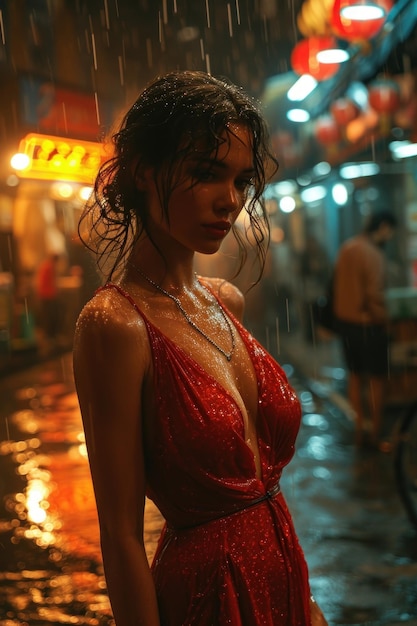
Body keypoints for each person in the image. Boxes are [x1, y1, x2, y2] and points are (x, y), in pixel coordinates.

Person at [73, 70, 328, 626]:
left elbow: (265, 492)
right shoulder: (115, 325)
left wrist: (306, 604)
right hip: (207, 597)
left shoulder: (225, 300)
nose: (230, 201)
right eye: (207, 174)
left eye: (240, 181)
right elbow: (119, 533)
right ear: (143, 171)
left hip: (284, 577)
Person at [333, 210, 397, 449]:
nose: (390, 236)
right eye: (390, 230)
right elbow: (374, 296)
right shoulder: (373, 254)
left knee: (355, 376)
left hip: (347, 325)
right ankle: (377, 432)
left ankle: (360, 428)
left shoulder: (347, 248)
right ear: (382, 227)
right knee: (377, 380)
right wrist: (385, 320)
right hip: (369, 325)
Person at [35, 251, 61, 354]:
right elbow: (52, 282)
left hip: (44, 295)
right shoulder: (50, 267)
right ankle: (51, 338)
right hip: (48, 296)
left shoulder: (45, 265)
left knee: (47, 317)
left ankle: (49, 338)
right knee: (51, 317)